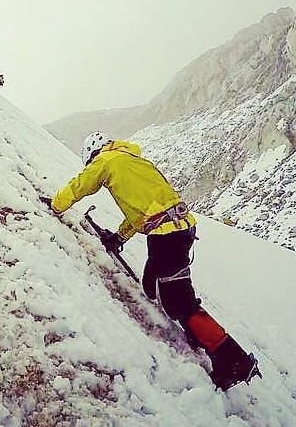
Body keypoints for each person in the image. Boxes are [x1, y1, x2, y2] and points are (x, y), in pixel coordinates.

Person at [48, 131, 258, 391]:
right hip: (180, 229)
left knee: (178, 301)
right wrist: (119, 237)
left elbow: (80, 185)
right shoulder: (134, 161)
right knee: (153, 285)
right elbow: (144, 212)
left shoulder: (105, 161)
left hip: (167, 236)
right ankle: (197, 330)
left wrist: (56, 206)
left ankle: (234, 361)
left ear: (93, 154)